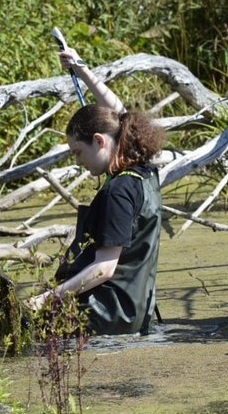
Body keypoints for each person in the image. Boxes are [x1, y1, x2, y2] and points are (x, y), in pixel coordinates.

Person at [27, 46, 165, 336]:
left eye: (78, 152)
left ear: (100, 141)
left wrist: (44, 301)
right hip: (136, 313)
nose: (78, 162)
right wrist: (82, 70)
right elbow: (123, 116)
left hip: (105, 315)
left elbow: (104, 268)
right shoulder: (145, 173)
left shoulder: (119, 190)